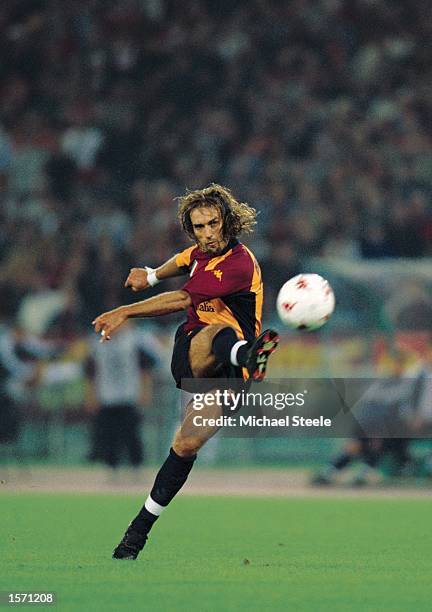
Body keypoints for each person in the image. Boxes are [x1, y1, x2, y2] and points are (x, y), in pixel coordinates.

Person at [92, 183, 279, 560]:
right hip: (195, 350)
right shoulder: (198, 253)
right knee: (218, 333)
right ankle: (246, 354)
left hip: (230, 377)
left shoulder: (239, 264)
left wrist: (126, 310)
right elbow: (181, 262)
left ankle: (136, 533)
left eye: (213, 223)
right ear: (191, 229)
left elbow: (181, 297)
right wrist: (152, 274)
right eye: (199, 227)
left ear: (227, 221)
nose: (207, 233)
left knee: (185, 444)